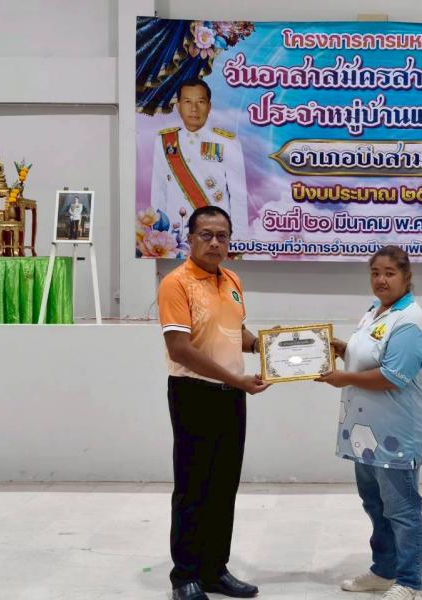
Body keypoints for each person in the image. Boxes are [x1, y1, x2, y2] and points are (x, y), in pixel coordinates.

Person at [157, 205, 270, 600]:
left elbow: (236, 330)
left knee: (223, 486)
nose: (214, 243)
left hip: (231, 397)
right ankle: (185, 575)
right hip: (194, 394)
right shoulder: (176, 283)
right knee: (193, 486)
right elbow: (180, 348)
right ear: (190, 238)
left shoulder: (232, 279)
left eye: (222, 236)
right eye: (206, 235)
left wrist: (267, 346)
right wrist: (235, 379)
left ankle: (214, 569)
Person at [317, 245, 422, 600]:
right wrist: (341, 349)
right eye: (375, 273)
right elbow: (368, 356)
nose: (381, 280)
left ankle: (409, 582)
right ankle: (384, 571)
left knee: (403, 509)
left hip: (395, 431)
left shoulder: (408, 319)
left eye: (390, 273)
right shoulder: (375, 311)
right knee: (376, 505)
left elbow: (393, 376)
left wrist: (345, 378)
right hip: (366, 433)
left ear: (407, 277)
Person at [150, 78, 249, 244]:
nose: (194, 108)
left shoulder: (227, 142)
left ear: (209, 107)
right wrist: (157, 236)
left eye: (200, 102)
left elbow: (238, 196)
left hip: (214, 238)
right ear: (178, 106)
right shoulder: (164, 141)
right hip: (176, 237)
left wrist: (238, 241)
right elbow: (159, 192)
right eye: (187, 102)